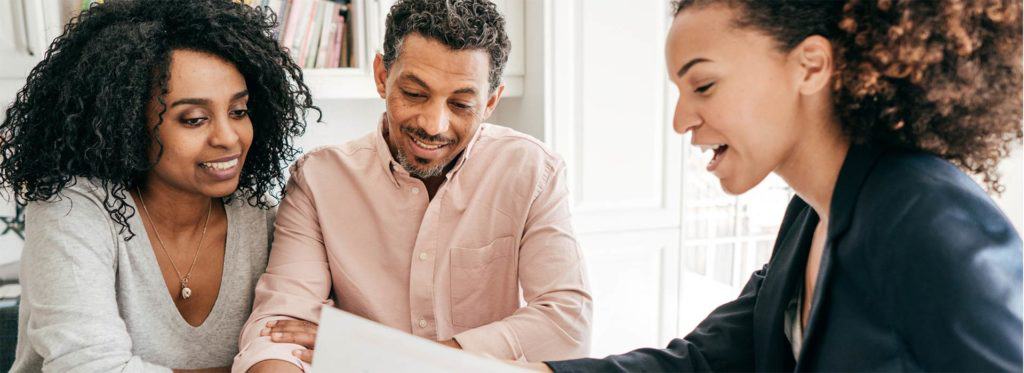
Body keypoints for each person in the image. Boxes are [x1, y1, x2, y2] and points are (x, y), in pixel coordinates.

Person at [536, 0, 1023, 371]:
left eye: (703, 86)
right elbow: (706, 360)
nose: (681, 120)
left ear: (810, 66)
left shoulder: (926, 216)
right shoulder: (810, 215)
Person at [235, 0, 592, 371]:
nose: (433, 124)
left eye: (460, 104)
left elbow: (566, 323)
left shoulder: (533, 171)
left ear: (490, 102)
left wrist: (399, 357)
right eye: (415, 94)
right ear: (381, 76)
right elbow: (279, 328)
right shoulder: (318, 178)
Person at [2, 1, 318, 371]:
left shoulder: (260, 217)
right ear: (128, 124)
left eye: (238, 112)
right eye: (194, 119)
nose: (228, 137)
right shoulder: (71, 209)